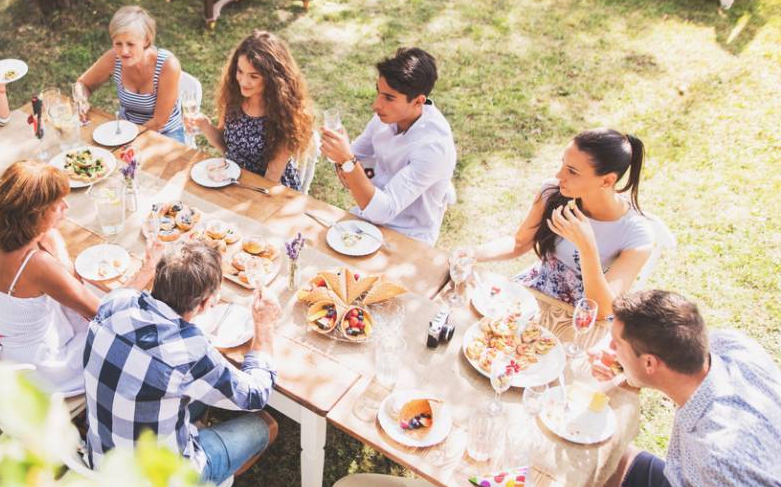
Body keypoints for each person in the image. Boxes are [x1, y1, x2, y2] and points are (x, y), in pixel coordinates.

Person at [503, 290, 781, 487]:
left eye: (615, 343)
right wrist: (628, 372)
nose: (607, 349)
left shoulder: (720, 460)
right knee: (602, 455)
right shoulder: (732, 347)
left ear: (650, 362)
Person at [83, 241, 281, 483]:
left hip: (102, 467)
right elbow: (256, 395)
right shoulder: (190, 351)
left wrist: (146, 267)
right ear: (206, 304)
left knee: (191, 393)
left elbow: (128, 294)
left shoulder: (113, 303)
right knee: (265, 424)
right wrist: (264, 324)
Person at [0, 160, 162, 396]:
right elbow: (106, 314)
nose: (66, 207)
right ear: (35, 215)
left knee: (86, 293)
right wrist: (147, 270)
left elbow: (48, 239)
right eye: (57, 205)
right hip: (39, 370)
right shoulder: (36, 265)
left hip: (5, 351)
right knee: (130, 333)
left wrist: (51, 238)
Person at [467, 128, 652, 317]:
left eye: (572, 171)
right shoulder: (553, 193)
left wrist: (587, 246)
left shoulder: (636, 234)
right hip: (533, 294)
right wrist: (472, 254)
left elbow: (604, 309)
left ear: (607, 181)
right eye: (563, 164)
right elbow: (519, 243)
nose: (558, 175)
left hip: (582, 318)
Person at [318, 47, 457, 245]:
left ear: (418, 101)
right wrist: (345, 161)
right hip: (367, 217)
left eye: (389, 98)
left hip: (409, 237)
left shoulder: (434, 148)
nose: (376, 105)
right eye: (379, 92)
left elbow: (382, 210)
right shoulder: (387, 117)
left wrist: (348, 162)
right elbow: (354, 156)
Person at [183, 30, 314, 191]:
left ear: (273, 79)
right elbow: (227, 146)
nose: (243, 81)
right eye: (240, 71)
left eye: (253, 76)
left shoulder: (285, 115)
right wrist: (204, 125)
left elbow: (271, 177)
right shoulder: (234, 97)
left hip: (267, 190)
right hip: (232, 179)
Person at [73, 6, 186, 143]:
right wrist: (81, 100)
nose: (123, 51)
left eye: (130, 44)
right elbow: (83, 83)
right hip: (124, 129)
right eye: (118, 43)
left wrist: (126, 140)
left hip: (165, 133)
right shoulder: (114, 58)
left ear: (146, 40)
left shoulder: (168, 66)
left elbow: (159, 122)